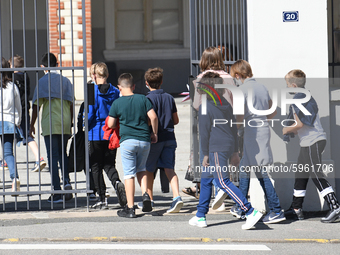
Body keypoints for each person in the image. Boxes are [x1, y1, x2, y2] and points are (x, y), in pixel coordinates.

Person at [189, 72, 263, 230]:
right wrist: (235, 152)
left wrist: (206, 154)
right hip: (227, 144)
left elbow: (204, 133)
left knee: (223, 181)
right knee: (206, 179)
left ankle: (249, 211)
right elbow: (233, 127)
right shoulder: (226, 104)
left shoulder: (204, 107)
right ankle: (200, 215)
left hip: (215, 148)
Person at [224, 59, 285, 224]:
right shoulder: (262, 87)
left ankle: (276, 210)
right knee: (246, 169)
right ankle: (242, 207)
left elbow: (240, 116)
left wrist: (234, 129)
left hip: (251, 133)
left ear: (238, 74)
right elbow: (272, 111)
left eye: (234, 76)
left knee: (260, 172)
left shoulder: (242, 90)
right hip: (262, 130)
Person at [283, 69, 340, 223]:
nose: (286, 87)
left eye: (287, 84)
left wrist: (286, 129)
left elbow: (300, 124)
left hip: (313, 141)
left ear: (293, 85)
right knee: (301, 175)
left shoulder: (299, 99)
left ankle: (335, 207)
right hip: (309, 142)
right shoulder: (303, 97)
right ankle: (296, 209)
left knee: (316, 174)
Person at [185, 46, 236, 208]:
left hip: (210, 123)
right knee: (224, 159)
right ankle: (222, 188)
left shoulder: (202, 78)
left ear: (204, 60)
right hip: (227, 122)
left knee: (206, 162)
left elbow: (197, 105)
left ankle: (206, 205)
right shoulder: (229, 77)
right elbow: (235, 102)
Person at [108, 73, 158, 218]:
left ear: (119, 87)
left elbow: (110, 124)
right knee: (141, 169)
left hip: (127, 141)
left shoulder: (117, 103)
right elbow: (153, 117)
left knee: (129, 174)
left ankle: (130, 208)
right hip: (144, 140)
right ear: (133, 86)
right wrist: (154, 133)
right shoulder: (143, 98)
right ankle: (145, 195)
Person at [29, 52, 73, 203]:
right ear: (57, 64)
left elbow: (36, 106)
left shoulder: (42, 82)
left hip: (50, 122)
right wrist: (71, 122)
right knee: (63, 154)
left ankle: (56, 191)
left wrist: (31, 125)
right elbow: (71, 104)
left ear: (43, 66)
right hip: (65, 121)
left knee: (52, 156)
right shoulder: (65, 81)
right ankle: (67, 181)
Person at [139, 67, 183, 213]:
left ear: (146, 83)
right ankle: (176, 197)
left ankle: (149, 199)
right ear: (162, 81)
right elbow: (176, 120)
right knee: (169, 169)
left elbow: (148, 120)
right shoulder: (170, 98)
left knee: (149, 169)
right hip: (170, 137)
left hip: (154, 139)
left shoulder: (147, 99)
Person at [87, 62, 126, 209]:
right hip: (111, 133)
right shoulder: (115, 91)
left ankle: (102, 198)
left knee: (96, 166)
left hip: (95, 132)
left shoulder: (92, 90)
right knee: (109, 164)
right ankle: (116, 182)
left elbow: (90, 113)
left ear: (94, 75)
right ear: (107, 75)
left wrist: (85, 124)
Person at [9, 55, 46, 172]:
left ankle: (39, 158)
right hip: (25, 109)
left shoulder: (12, 78)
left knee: (9, 136)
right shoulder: (26, 76)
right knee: (26, 135)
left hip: (14, 111)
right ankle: (38, 158)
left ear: (12, 67)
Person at [0, 57, 22, 192]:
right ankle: (15, 178)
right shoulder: (12, 86)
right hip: (9, 121)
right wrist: (18, 121)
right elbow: (18, 106)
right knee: (8, 153)